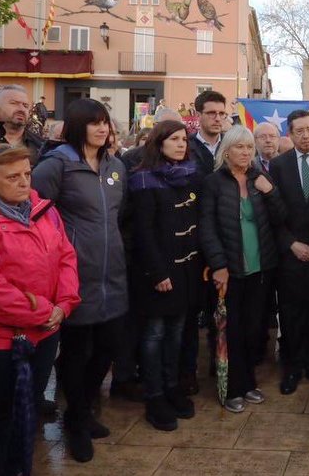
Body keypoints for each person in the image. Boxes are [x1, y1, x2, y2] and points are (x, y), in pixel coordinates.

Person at [0, 144, 79, 476]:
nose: (24, 182)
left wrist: (65, 303)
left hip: (43, 334)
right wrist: (44, 311)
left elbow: (66, 258)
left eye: (27, 173)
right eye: (12, 177)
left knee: (27, 413)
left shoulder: (44, 211)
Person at [31, 98, 128, 463]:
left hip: (112, 274)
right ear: (77, 126)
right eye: (93, 122)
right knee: (76, 353)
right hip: (75, 276)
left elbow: (119, 216)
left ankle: (83, 410)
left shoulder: (116, 166)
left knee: (107, 348)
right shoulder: (57, 165)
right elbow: (33, 214)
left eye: (105, 122)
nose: (102, 128)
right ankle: (76, 419)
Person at [198, 126, 284, 413]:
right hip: (229, 270)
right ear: (227, 151)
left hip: (261, 268)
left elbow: (281, 217)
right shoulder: (213, 183)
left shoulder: (260, 179)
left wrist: (270, 192)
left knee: (252, 329)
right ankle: (231, 388)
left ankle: (248, 383)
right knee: (230, 330)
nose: (246, 152)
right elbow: (207, 228)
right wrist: (218, 265)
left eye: (249, 147)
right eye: (240, 147)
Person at [128, 121, 201, 432]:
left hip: (186, 269)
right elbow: (143, 232)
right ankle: (154, 394)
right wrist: (158, 272)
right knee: (155, 335)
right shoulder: (143, 180)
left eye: (184, 139)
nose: (181, 144)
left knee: (177, 332)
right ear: (159, 143)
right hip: (158, 271)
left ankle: (172, 387)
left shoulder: (190, 175)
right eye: (174, 139)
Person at [269, 111, 309, 395]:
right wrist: (291, 243)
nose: (306, 135)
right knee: (291, 313)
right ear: (290, 134)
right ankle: (292, 368)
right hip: (291, 254)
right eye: (300, 131)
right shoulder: (278, 165)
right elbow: (273, 211)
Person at [189, 90, 226, 174]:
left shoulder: (231, 144)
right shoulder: (185, 146)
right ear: (198, 115)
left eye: (221, 113)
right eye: (211, 113)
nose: (218, 119)